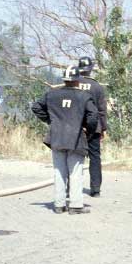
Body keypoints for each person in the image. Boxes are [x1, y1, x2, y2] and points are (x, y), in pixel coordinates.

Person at [32, 65, 98, 214]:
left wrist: (50, 121)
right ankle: (75, 205)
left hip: (56, 137)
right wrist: (89, 130)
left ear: (64, 79)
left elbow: (36, 107)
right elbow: (93, 116)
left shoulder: (51, 94)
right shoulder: (83, 96)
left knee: (59, 171)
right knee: (75, 172)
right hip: (76, 138)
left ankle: (59, 205)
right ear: (77, 80)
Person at [77, 56, 107, 197]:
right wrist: (103, 128)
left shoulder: (73, 83)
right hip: (94, 127)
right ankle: (95, 189)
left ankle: (72, 187)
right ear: (90, 69)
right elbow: (102, 110)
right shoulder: (97, 86)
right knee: (95, 158)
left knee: (75, 158)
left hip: (76, 127)